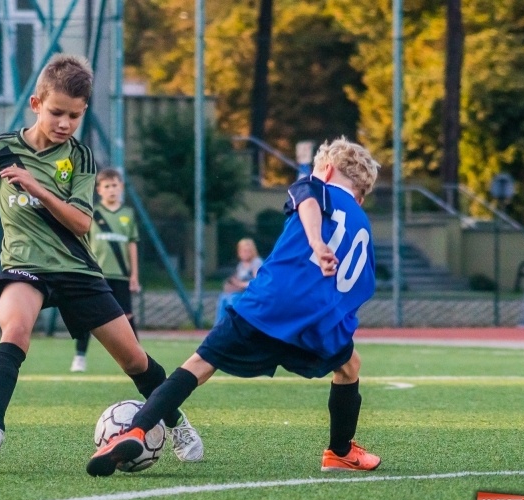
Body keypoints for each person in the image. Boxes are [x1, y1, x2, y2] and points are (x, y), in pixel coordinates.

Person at [0, 54, 203, 467]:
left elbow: (81, 223)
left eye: (74, 116)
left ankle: (177, 423)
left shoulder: (79, 158)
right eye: (57, 113)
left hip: (76, 269)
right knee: (15, 330)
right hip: (24, 267)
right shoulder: (1, 150)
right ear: (36, 104)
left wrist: (37, 188)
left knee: (134, 359)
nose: (65, 123)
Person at [87, 136, 382, 477]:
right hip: (320, 320)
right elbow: (362, 287)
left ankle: (137, 429)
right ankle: (340, 452)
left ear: (326, 170)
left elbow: (309, 202)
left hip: (268, 305)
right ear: (360, 194)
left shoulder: (315, 186)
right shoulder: (362, 225)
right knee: (349, 366)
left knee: (200, 364)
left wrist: (316, 241)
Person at [71, 168, 140, 373]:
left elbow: (132, 245)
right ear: (99, 190)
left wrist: (134, 275)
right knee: (87, 315)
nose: (111, 190)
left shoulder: (127, 214)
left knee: (127, 315)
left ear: (121, 187)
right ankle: (80, 356)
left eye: (115, 185)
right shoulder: (92, 213)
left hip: (121, 275)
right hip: (96, 275)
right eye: (107, 186)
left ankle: (138, 357)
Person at [214, 238, 262, 324]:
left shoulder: (256, 262)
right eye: (243, 251)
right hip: (240, 291)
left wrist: (240, 284)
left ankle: (234, 324)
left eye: (248, 251)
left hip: (251, 293)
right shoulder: (241, 265)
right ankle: (219, 325)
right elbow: (237, 280)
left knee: (233, 298)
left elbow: (257, 282)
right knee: (223, 297)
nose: (245, 253)